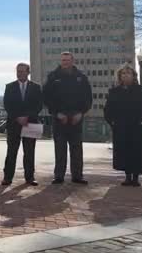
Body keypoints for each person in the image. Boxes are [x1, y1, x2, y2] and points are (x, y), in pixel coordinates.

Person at [43, 52, 92, 185]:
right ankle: (59, 176)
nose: (65, 62)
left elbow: (88, 98)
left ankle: (77, 176)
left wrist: (81, 113)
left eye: (67, 60)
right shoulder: (53, 77)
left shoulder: (81, 77)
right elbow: (46, 97)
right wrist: (56, 113)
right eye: (63, 60)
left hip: (76, 118)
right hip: (59, 118)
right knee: (60, 148)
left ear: (72, 61)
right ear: (60, 61)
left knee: (76, 149)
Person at [104, 63, 142, 187]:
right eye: (123, 73)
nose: (126, 75)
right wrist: (113, 122)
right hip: (121, 127)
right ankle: (128, 177)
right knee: (124, 152)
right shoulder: (114, 92)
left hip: (138, 128)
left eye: (128, 73)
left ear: (134, 76)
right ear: (119, 76)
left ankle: (136, 177)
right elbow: (108, 110)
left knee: (137, 152)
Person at [2, 63, 43, 186]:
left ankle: (30, 177)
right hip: (14, 123)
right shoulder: (10, 87)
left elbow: (38, 105)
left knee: (29, 152)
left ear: (28, 72)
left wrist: (27, 117)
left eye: (22, 71)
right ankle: (7, 177)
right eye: (18, 71)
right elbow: (7, 104)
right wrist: (17, 117)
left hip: (30, 123)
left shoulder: (36, 87)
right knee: (11, 152)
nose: (20, 73)